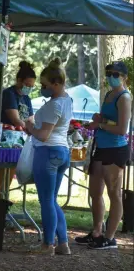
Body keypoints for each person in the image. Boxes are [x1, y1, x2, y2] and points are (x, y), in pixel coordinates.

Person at [75, 61, 132, 249]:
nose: (111, 77)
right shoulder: (108, 94)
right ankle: (97, 231)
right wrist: (97, 119)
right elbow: (106, 119)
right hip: (100, 147)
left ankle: (110, 237)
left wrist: (100, 124)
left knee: (114, 193)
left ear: (124, 77)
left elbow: (122, 129)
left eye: (116, 74)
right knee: (95, 192)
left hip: (116, 149)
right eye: (109, 73)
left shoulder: (124, 97)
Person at [25, 58, 73, 256]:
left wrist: (29, 126)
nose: (42, 89)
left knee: (46, 200)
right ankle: (63, 243)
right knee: (52, 201)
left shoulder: (55, 106)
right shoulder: (67, 99)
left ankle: (47, 245)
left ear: (56, 84)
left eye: (44, 85)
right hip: (62, 152)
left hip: (48, 152)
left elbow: (43, 135)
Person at [0, 61, 36, 197]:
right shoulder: (9, 94)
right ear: (19, 80)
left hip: (20, 140)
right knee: (0, 176)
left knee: (10, 173)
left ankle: (2, 200)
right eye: (27, 85)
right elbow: (15, 120)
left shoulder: (27, 98)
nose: (29, 88)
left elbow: (31, 119)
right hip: (6, 140)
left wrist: (33, 128)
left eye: (31, 86)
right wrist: (31, 129)